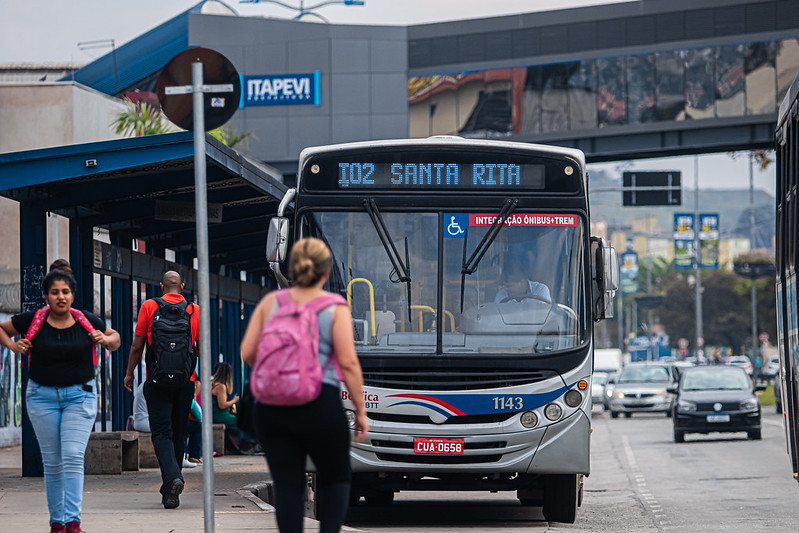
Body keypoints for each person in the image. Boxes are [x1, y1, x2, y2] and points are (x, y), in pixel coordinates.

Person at [241, 237, 368, 533]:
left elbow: (247, 352)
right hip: (319, 404)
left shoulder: (271, 303)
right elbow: (348, 364)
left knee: (288, 486)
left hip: (272, 409)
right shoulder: (335, 307)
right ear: (326, 272)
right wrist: (360, 410)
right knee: (336, 477)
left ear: (293, 268)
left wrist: (281, 370)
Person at [0, 268, 120, 533]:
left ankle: (73, 522)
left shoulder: (86, 320)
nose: (61, 297)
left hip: (80, 396)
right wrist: (13, 346)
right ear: (46, 296)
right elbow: (2, 328)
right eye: (55, 292)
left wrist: (104, 339)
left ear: (72, 295)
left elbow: (116, 339)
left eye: (65, 292)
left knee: (73, 456)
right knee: (52, 461)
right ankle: (57, 523)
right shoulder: (34, 320)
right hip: (41, 398)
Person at [123, 270, 199, 509]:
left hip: (156, 381)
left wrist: (129, 372)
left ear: (161, 286)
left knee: (161, 433)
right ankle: (170, 489)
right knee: (179, 432)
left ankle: (173, 480)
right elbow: (200, 348)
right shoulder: (194, 311)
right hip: (185, 381)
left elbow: (137, 345)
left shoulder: (149, 306)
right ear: (182, 287)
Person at [211, 362, 242, 454]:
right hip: (220, 415)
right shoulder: (221, 387)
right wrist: (234, 400)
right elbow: (222, 405)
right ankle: (244, 446)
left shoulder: (212, 385)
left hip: (215, 414)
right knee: (243, 422)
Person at [185, 380, 203, 464]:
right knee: (198, 426)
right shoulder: (188, 396)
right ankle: (194, 455)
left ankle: (185, 454)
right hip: (184, 422)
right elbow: (199, 415)